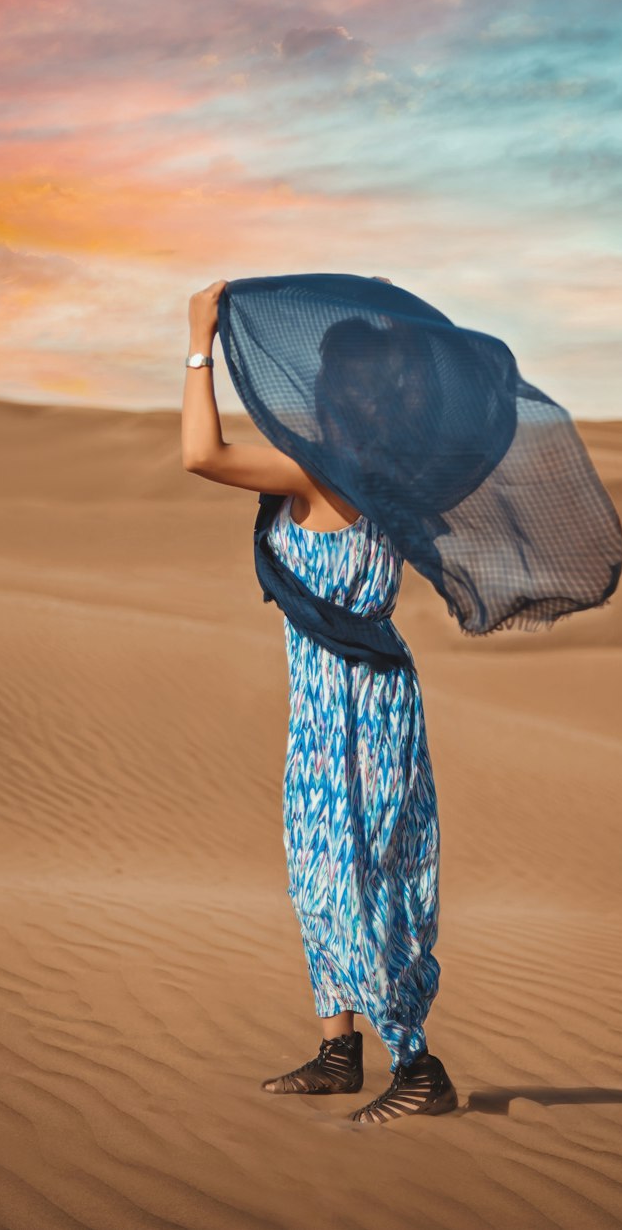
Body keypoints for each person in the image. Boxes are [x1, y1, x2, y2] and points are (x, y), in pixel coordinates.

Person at [182, 277, 459, 1125]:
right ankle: (341, 1049)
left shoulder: (314, 468)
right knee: (322, 869)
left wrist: (199, 339)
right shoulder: (396, 468)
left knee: (359, 876)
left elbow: (202, 452)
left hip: (356, 710)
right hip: (351, 700)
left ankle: (419, 1067)